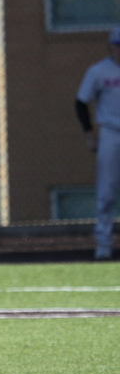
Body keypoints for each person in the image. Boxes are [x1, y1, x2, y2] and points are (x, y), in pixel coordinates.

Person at [75, 26, 120, 260]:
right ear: (111, 47)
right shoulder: (99, 71)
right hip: (111, 132)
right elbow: (81, 102)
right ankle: (103, 243)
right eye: (118, 45)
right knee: (106, 191)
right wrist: (89, 133)